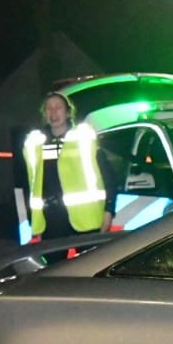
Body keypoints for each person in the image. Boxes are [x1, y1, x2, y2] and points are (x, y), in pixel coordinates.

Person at [21, 91, 106, 241]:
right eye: (49, 108)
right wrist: (34, 220)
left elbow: (107, 174)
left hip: (85, 218)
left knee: (89, 264)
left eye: (58, 107)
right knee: (56, 265)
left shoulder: (83, 138)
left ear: (68, 112)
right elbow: (30, 184)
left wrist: (109, 210)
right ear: (44, 114)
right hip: (52, 220)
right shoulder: (35, 144)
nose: (53, 112)